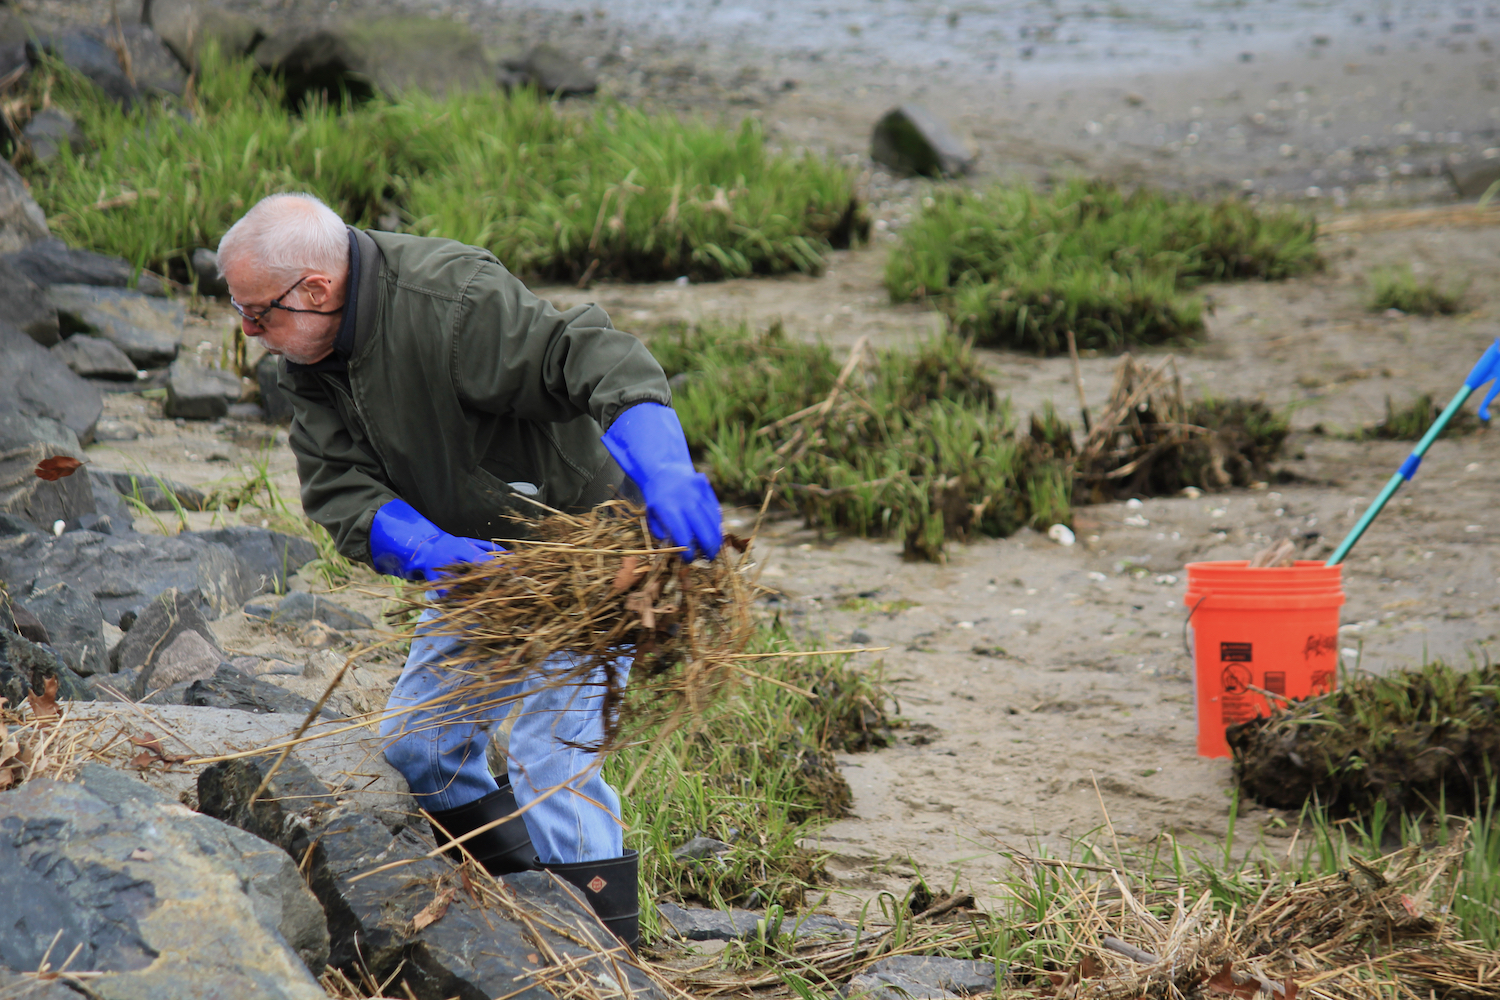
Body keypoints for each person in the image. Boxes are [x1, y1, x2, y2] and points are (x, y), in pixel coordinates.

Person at [217, 192, 722, 952]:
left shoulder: (451, 301)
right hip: (475, 561)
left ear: (316, 290)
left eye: (258, 314)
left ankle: (606, 961)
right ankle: (522, 906)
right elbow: (336, 487)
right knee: (422, 746)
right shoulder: (306, 357)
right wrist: (427, 550)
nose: (250, 332)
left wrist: (665, 464)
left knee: (551, 755)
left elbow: (582, 351)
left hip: (585, 548)